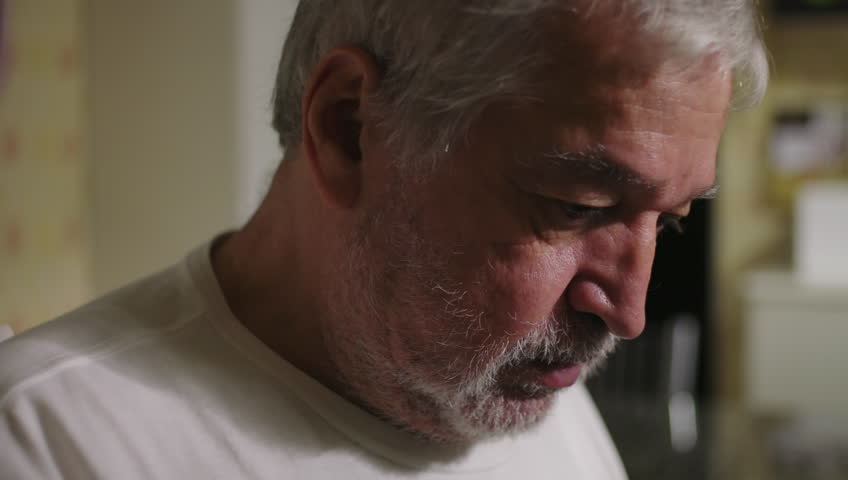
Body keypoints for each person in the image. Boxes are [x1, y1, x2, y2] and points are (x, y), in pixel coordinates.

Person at [0, 1, 768, 478]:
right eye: (575, 206)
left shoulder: (514, 376)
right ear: (348, 129)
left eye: (667, 219)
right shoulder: (45, 440)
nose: (627, 311)